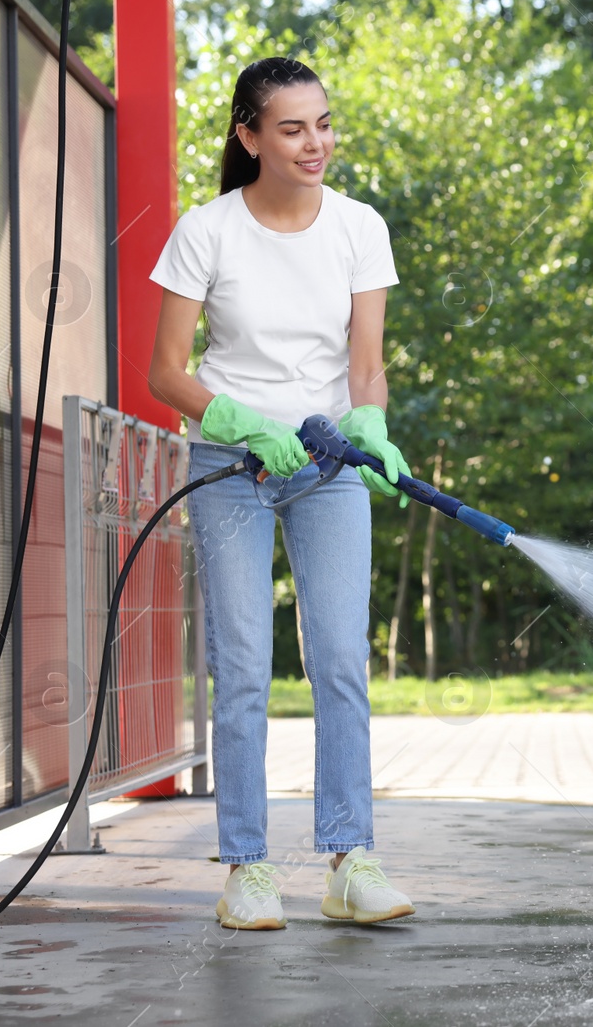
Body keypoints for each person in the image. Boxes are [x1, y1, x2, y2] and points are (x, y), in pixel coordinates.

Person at [147, 56, 415, 930]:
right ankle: (247, 868)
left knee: (341, 660)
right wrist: (238, 419)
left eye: (325, 124)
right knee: (245, 671)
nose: (316, 143)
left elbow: (366, 366)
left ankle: (350, 859)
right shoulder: (208, 231)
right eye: (293, 127)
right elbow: (164, 373)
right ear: (249, 136)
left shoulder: (359, 227)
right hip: (230, 466)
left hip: (330, 461)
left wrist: (369, 426)